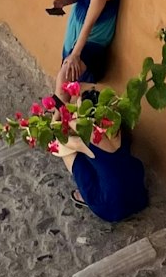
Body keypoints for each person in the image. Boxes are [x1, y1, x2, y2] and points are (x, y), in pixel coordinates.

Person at [51, 91, 148, 225]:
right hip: (137, 197)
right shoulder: (116, 124)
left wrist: (55, 116)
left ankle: (86, 196)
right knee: (107, 164)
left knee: (68, 152)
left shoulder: (90, 136)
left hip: (111, 208)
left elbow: (58, 140)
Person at [48, 0, 119, 93]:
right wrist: (62, 1)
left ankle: (57, 114)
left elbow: (89, 24)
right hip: (76, 31)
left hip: (93, 36)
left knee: (65, 74)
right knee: (66, 76)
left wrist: (75, 54)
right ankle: (59, 112)